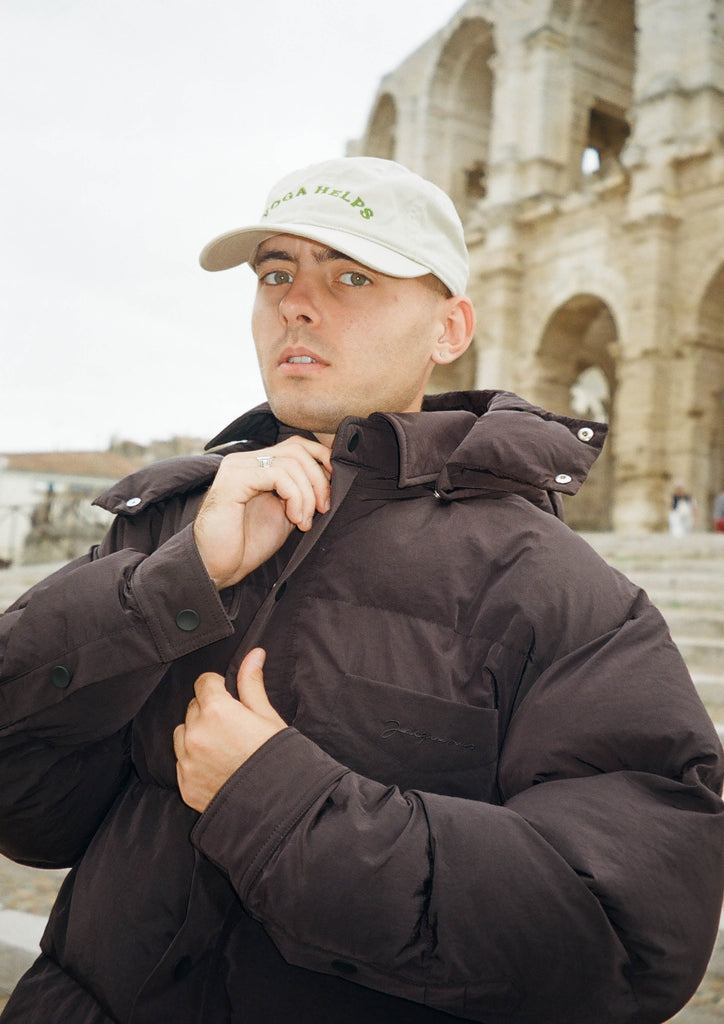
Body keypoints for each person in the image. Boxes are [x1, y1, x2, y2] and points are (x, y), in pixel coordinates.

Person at [0, 157, 722, 1024]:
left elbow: (628, 934)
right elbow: (33, 811)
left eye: (351, 276)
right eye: (275, 274)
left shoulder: (554, 588)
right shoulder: (169, 528)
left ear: (449, 328)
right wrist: (168, 588)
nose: (295, 305)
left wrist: (278, 805)